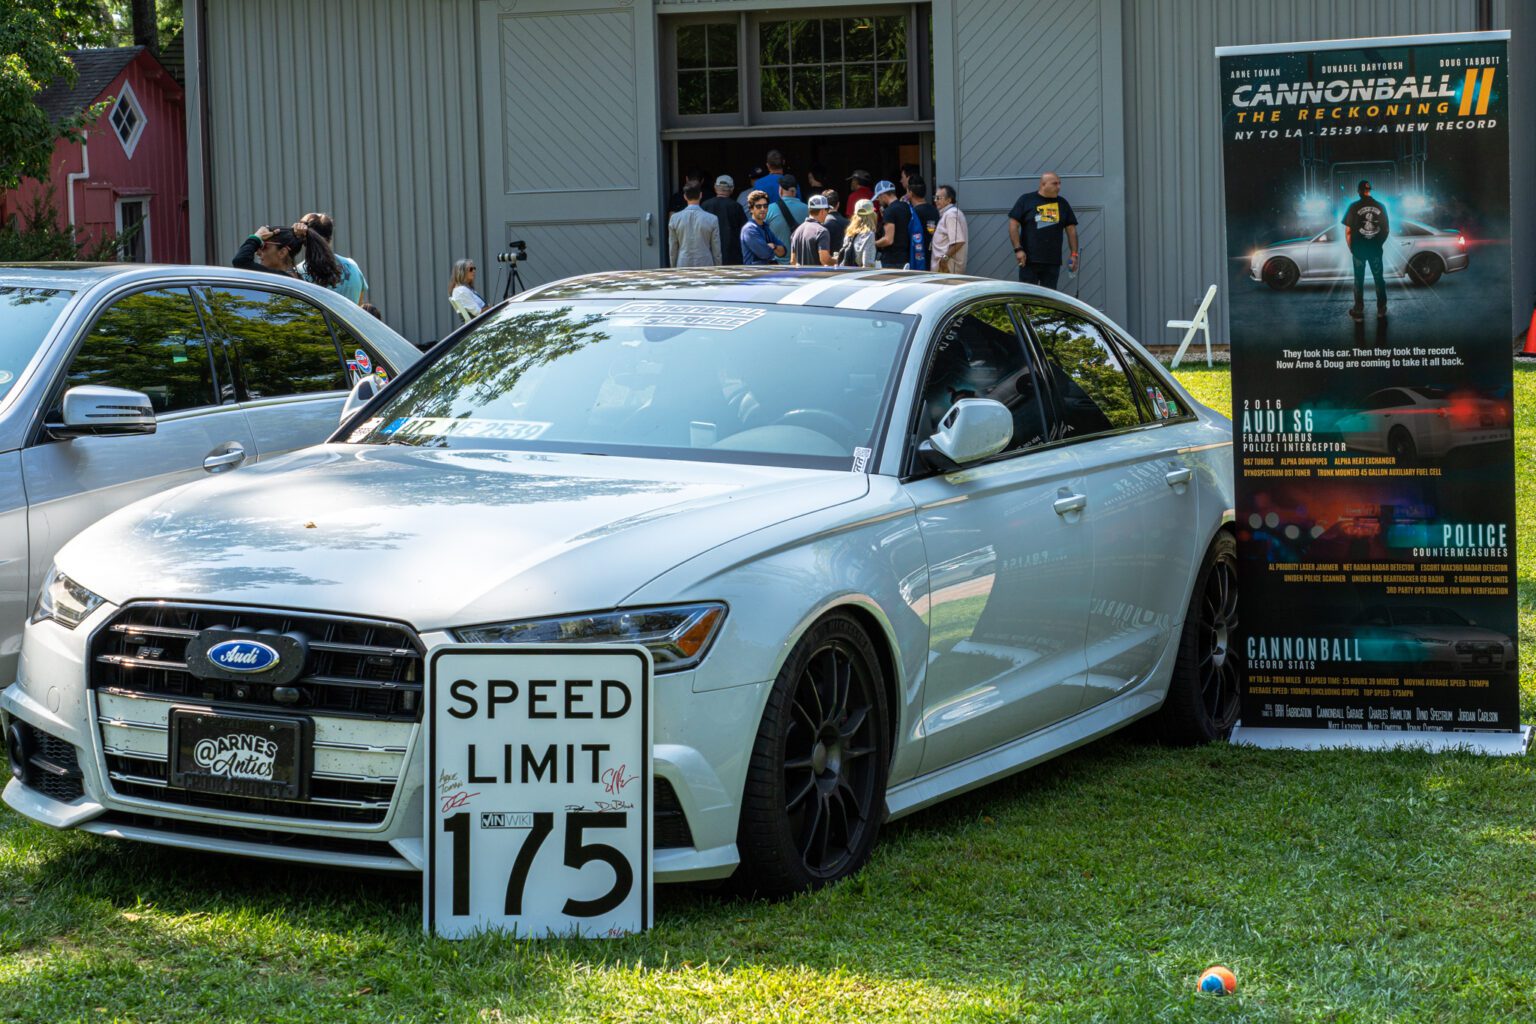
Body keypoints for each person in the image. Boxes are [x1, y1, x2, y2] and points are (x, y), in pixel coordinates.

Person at [1009, 171, 1079, 290]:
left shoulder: (1062, 203)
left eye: (1059, 183)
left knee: (1049, 299)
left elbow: (1071, 229)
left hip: (1052, 261)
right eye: (1055, 184)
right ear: (1043, 184)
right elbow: (1013, 224)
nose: (1059, 187)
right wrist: (1018, 249)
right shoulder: (1026, 200)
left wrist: (1074, 254)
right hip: (1029, 260)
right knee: (1027, 296)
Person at [1344, 179, 1390, 320]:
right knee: (1378, 279)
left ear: (1359, 191)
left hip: (1359, 249)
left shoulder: (1353, 207)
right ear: (1370, 190)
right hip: (1375, 249)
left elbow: (1348, 232)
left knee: (1359, 280)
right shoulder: (1381, 206)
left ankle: (1358, 310)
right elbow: (1386, 230)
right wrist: (1378, 244)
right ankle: (1381, 309)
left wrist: (1352, 248)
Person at [299, 211, 368, 303]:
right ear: (330, 238)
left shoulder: (298, 273)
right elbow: (359, 304)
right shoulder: (353, 266)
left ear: (303, 240)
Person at [668, 182, 721, 267]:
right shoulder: (712, 219)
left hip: (683, 262)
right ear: (700, 195)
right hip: (706, 263)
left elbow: (673, 247)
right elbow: (716, 249)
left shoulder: (674, 218)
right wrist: (718, 266)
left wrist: (673, 266)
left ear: (685, 196)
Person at [232, 223, 308, 277]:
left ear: (282, 252)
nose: (257, 252)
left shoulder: (283, 278)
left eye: (263, 246)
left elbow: (240, 261)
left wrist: (256, 237)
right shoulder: (288, 277)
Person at [702, 175, 746, 265]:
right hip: (732, 256)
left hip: (709, 254)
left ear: (715, 187)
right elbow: (745, 232)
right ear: (732, 189)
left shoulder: (705, 205)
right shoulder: (736, 207)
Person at [764, 174, 808, 263]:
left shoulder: (769, 209)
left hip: (777, 264)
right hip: (801, 264)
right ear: (795, 192)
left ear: (780, 190)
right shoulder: (808, 209)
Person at [873, 180, 913, 268]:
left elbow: (888, 240)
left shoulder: (890, 211)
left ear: (883, 195)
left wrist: (873, 243)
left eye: (878, 198)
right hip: (906, 257)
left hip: (891, 260)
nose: (878, 201)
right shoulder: (905, 206)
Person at [740, 190, 786, 265]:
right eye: (758, 206)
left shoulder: (765, 226)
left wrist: (773, 246)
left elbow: (783, 252)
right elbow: (765, 253)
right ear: (751, 209)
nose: (763, 209)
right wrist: (774, 250)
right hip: (754, 274)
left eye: (765, 206)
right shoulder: (749, 229)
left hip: (767, 273)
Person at [932, 184, 970, 274]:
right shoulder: (950, 213)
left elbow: (959, 241)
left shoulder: (950, 215)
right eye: (935, 197)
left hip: (948, 268)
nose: (935, 200)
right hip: (947, 268)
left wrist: (944, 260)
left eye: (938, 198)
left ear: (948, 200)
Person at [790, 194, 835, 267]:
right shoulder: (822, 231)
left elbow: (793, 261)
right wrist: (838, 260)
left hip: (801, 277)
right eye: (827, 210)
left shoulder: (796, 231)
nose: (827, 213)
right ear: (822, 211)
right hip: (818, 277)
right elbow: (825, 260)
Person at [906, 177, 940, 271]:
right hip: (934, 254)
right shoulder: (934, 210)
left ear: (910, 192)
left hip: (918, 259)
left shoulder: (912, 213)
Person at [838, 198, 879, 268]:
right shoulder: (869, 235)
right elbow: (867, 264)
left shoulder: (849, 233)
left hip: (846, 272)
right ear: (872, 215)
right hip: (860, 275)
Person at [820, 188, 848, 253]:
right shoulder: (849, 224)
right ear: (838, 204)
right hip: (844, 262)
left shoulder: (820, 224)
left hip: (824, 261)